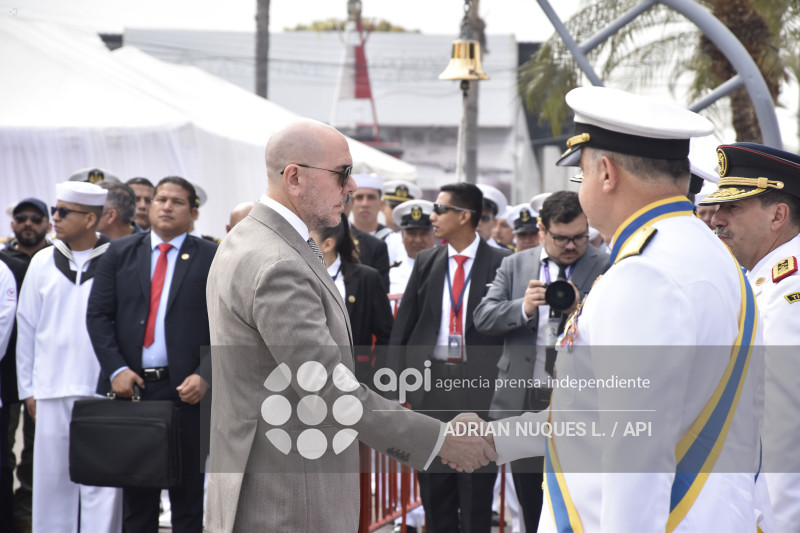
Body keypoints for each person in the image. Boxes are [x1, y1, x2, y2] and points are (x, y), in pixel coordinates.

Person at [482, 87, 764, 531]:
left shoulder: (645, 274)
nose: (582, 187)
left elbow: (637, 453)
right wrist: (495, 438)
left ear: (607, 173)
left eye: (582, 173)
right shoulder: (704, 253)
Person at [204, 118, 495, 532]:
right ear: (295, 177)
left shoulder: (254, 239)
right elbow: (328, 390)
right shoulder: (278, 263)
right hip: (288, 496)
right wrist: (440, 441)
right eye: (342, 173)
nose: (353, 186)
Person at [473, 190, 609, 532]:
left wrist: (582, 306)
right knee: (530, 503)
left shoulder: (607, 265)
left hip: (581, 403)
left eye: (580, 237)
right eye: (561, 238)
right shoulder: (515, 264)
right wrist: (522, 307)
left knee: (579, 500)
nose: (571, 246)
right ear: (542, 229)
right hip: (523, 398)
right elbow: (483, 317)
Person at [86, 176, 215, 533]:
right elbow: (98, 315)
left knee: (188, 500)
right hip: (134, 390)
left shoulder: (212, 258)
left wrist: (206, 373)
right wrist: (116, 370)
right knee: (138, 501)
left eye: (176, 202)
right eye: (160, 199)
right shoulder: (120, 252)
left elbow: (230, 324)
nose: (166, 206)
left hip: (188, 393)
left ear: (193, 213)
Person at [389, 182, 511, 532]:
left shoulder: (502, 262)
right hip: (431, 386)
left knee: (475, 490)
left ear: (464, 216)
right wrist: (396, 385)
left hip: (479, 387)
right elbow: (405, 325)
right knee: (434, 487)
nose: (433, 217)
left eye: (440, 209)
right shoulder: (427, 261)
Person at [699, 142, 800, 532]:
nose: (716, 220)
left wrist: (778, 524)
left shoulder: (787, 292)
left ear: (778, 215)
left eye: (733, 208)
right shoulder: (762, 281)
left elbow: (784, 428)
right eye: (718, 207)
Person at [16, 182, 122, 533]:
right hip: (50, 388)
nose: (54, 218)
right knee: (51, 485)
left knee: (103, 486)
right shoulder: (43, 261)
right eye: (55, 209)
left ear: (91, 218)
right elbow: (27, 327)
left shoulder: (118, 260)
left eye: (64, 212)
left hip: (101, 389)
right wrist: (28, 389)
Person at [0, 197, 50, 533]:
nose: (28, 223)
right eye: (22, 218)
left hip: (42, 365)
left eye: (36, 218)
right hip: (6, 370)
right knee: (5, 446)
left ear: (47, 222)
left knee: (38, 446)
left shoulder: (54, 259)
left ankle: (29, 509)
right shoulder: (4, 260)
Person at [310, 214, 393, 389]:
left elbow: (386, 335)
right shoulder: (300, 275)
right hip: (311, 379)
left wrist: (378, 381)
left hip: (358, 379)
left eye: (309, 240)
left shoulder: (366, 278)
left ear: (328, 245)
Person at [388, 199, 436, 296]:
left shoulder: (445, 270)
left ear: (435, 236)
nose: (418, 240)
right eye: (412, 234)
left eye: (424, 233)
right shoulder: (390, 274)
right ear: (402, 236)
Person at [476, 184, 510, 250]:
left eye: (484, 218)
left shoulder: (506, 256)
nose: (478, 223)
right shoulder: (452, 251)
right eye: (475, 217)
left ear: (494, 222)